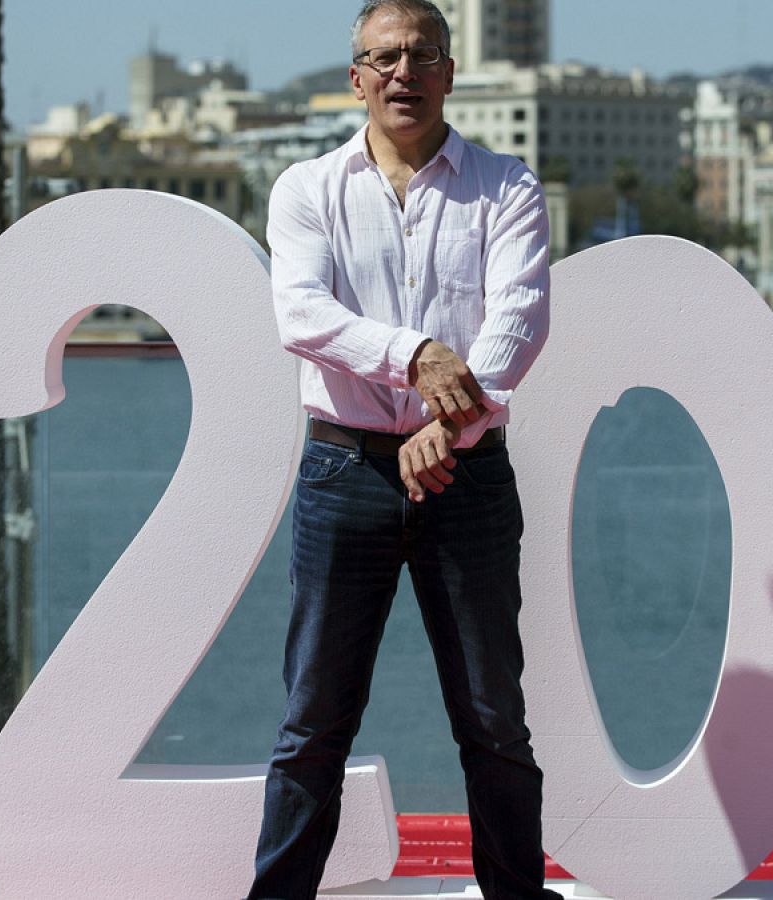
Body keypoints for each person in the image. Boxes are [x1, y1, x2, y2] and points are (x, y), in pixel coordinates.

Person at [246, 2, 561, 898]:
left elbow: (521, 319)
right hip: (343, 473)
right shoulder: (307, 188)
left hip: (468, 477)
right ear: (356, 77)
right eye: (382, 57)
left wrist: (446, 427)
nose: (402, 72)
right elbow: (301, 315)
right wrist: (417, 357)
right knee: (313, 720)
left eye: (422, 54)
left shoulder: (507, 185)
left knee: (495, 718)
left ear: (451, 72)